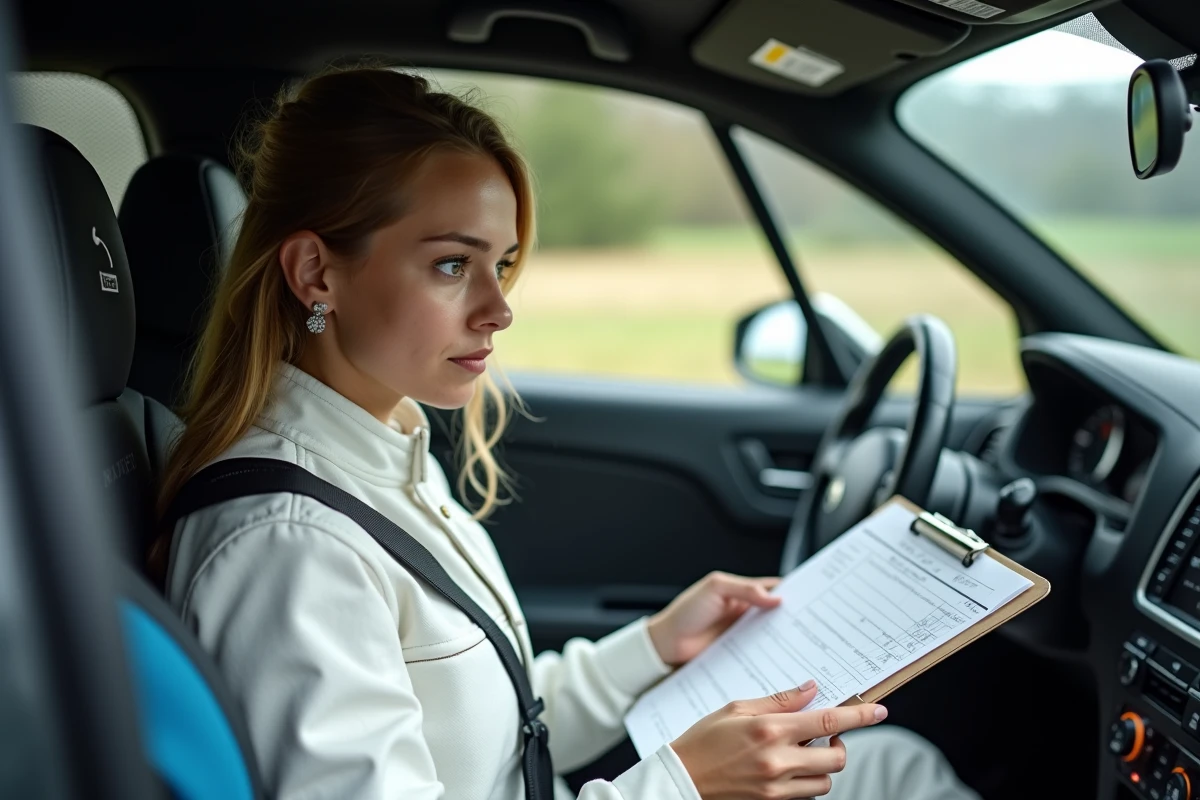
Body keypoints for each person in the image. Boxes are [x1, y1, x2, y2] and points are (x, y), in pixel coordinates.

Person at [151, 64, 981, 800]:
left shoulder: (385, 442)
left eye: (502, 264)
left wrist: (656, 646)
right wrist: (685, 786)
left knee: (891, 765)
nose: (499, 308)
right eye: (452, 263)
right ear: (315, 271)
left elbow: (498, 726)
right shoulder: (290, 543)